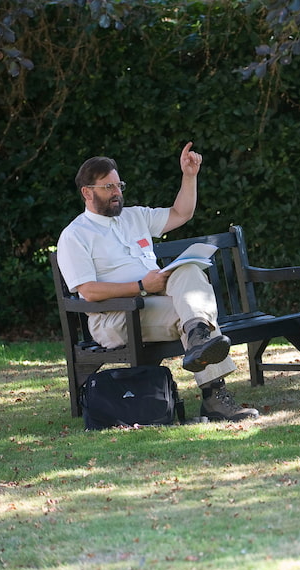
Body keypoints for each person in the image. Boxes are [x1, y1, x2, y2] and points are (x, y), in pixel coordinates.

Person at [56, 142, 258, 422]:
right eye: (109, 187)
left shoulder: (134, 217)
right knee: (192, 313)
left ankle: (198, 336)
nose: (117, 193)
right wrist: (140, 286)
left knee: (188, 275)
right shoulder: (75, 235)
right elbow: (88, 292)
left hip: (155, 300)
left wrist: (189, 176)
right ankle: (213, 396)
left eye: (119, 186)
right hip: (115, 317)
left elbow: (181, 213)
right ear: (87, 192)